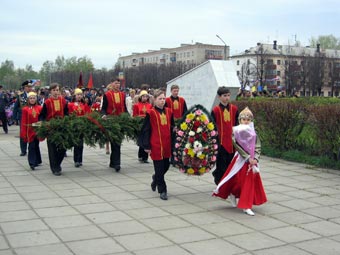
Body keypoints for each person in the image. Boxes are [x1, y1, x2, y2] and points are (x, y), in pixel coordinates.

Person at [213, 107, 267, 216]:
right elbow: (236, 145)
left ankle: (245, 203)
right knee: (238, 179)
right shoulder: (236, 131)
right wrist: (247, 157)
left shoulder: (253, 132)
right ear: (240, 120)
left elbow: (257, 145)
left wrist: (256, 157)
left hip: (252, 161)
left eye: (248, 120)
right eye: (244, 119)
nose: (246, 121)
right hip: (241, 159)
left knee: (249, 182)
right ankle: (240, 200)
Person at [139, 89, 174, 200]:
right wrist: (147, 146)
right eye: (160, 99)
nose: (162, 101)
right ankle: (162, 190)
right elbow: (146, 130)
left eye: (164, 98)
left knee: (166, 166)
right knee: (159, 168)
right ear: (154, 100)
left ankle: (156, 179)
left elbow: (172, 126)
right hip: (156, 144)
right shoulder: (151, 113)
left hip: (167, 144)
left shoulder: (169, 112)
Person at [39, 83, 68, 176]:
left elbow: (67, 113)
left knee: (63, 147)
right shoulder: (47, 102)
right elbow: (42, 116)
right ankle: (55, 168)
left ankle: (57, 164)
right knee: (52, 149)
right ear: (50, 91)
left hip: (61, 127)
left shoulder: (63, 101)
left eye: (57, 90)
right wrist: (44, 123)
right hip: (51, 127)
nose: (56, 92)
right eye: (54, 90)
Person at [211, 86, 239, 185]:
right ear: (219, 97)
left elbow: (237, 124)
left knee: (230, 164)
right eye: (224, 96)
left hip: (232, 141)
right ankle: (220, 183)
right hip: (221, 142)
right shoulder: (215, 110)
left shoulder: (234, 109)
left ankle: (225, 181)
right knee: (221, 164)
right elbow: (212, 126)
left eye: (228, 95)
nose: (227, 98)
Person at [101, 79, 127, 171]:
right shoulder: (107, 95)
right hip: (111, 120)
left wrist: (128, 117)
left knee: (117, 142)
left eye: (119, 83)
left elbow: (125, 107)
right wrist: (103, 115)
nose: (117, 85)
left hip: (120, 120)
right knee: (114, 142)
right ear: (111, 84)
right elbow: (103, 108)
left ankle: (114, 162)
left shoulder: (123, 95)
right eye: (116, 83)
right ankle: (116, 163)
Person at [68, 88, 90, 167]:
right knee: (76, 144)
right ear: (74, 96)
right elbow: (69, 115)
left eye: (80, 95)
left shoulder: (84, 105)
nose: (79, 96)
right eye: (78, 95)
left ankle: (80, 160)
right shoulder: (71, 105)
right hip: (75, 126)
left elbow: (88, 114)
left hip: (82, 126)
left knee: (81, 144)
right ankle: (76, 160)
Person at [20, 92, 42, 170]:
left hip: (38, 130)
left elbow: (41, 119)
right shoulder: (25, 109)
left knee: (36, 145)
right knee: (31, 146)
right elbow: (23, 121)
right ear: (28, 100)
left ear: (36, 99)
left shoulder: (39, 108)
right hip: (29, 131)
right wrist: (23, 132)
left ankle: (37, 160)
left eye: (33, 98)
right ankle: (32, 163)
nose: (32, 100)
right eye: (31, 98)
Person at [13, 80, 33, 156]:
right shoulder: (20, 96)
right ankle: (23, 150)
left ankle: (32, 148)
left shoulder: (34, 95)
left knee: (32, 132)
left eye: (30, 87)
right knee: (23, 133)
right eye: (28, 87)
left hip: (32, 117)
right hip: (23, 118)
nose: (29, 88)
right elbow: (15, 107)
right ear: (24, 87)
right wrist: (14, 118)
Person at [133, 90, 152, 163]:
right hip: (140, 124)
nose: (145, 98)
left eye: (146, 96)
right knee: (141, 140)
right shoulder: (136, 105)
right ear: (140, 97)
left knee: (146, 140)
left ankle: (145, 157)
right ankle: (140, 155)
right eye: (143, 96)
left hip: (147, 124)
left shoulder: (149, 105)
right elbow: (134, 115)